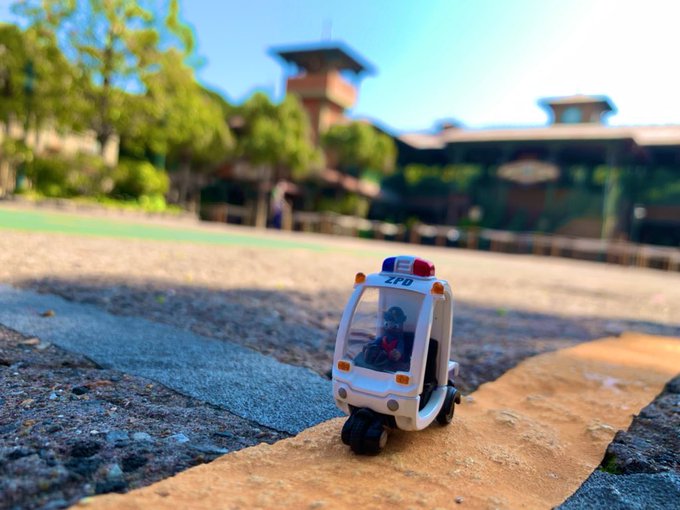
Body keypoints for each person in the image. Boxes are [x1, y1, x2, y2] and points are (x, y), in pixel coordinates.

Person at [361, 306, 410, 371]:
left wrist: (398, 353)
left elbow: (400, 348)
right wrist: (370, 345)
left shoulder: (399, 339)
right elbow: (377, 341)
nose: (391, 326)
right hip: (381, 360)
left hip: (393, 363)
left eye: (395, 324)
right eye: (388, 323)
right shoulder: (385, 335)